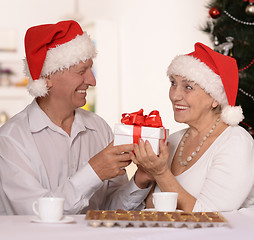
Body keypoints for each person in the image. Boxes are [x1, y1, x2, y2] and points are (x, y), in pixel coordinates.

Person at [0, 20, 151, 215]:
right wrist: (93, 172)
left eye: (91, 69)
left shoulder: (99, 128)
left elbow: (109, 211)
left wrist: (140, 180)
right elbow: (36, 214)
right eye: (82, 71)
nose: (92, 80)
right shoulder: (11, 140)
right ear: (47, 76)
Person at [130, 42, 254, 212]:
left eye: (188, 87)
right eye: (173, 83)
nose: (174, 96)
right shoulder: (173, 140)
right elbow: (150, 209)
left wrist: (160, 173)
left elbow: (210, 217)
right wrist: (144, 176)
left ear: (215, 98)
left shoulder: (235, 142)